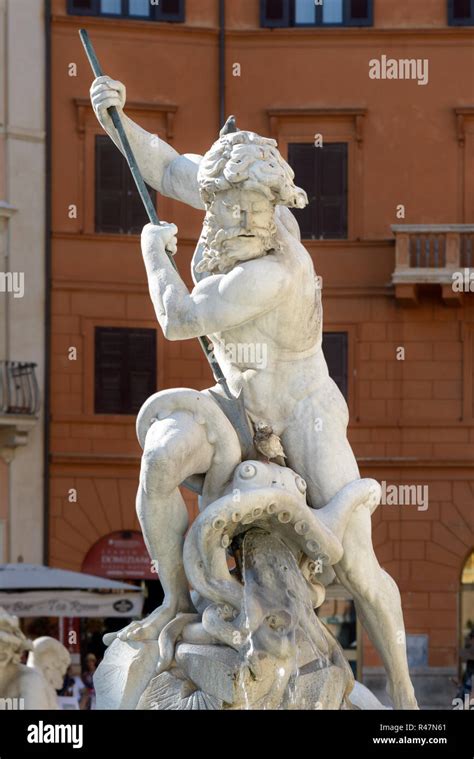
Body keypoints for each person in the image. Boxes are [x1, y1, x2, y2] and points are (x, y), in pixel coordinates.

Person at [88, 76, 418, 710]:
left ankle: (404, 697)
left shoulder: (274, 269)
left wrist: (152, 254)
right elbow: (160, 164)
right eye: (231, 208)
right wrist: (115, 119)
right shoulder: (225, 202)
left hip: (301, 416)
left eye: (257, 212)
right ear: (216, 200)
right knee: (161, 457)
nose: (243, 222)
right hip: (234, 404)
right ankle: (176, 603)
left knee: (357, 567)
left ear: (278, 206)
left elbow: (180, 319)